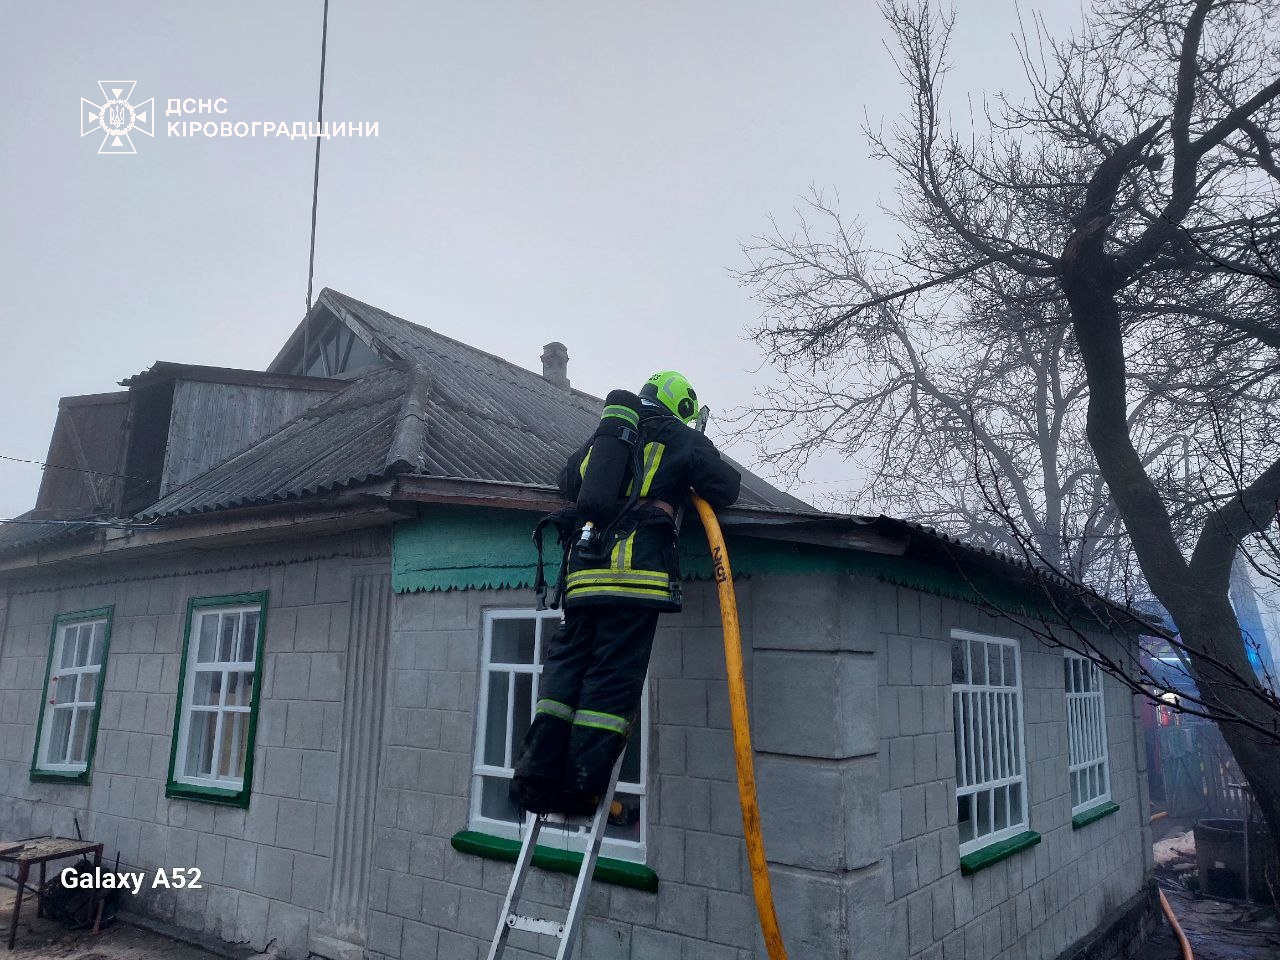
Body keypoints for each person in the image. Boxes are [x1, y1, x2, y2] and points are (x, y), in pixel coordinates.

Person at [511, 370, 741, 815]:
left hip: (582, 579)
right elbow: (726, 489)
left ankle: (534, 778)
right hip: (635, 581)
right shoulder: (681, 437)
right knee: (610, 683)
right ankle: (580, 788)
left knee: (564, 674)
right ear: (682, 406)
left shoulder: (609, 438)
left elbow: (568, 481)